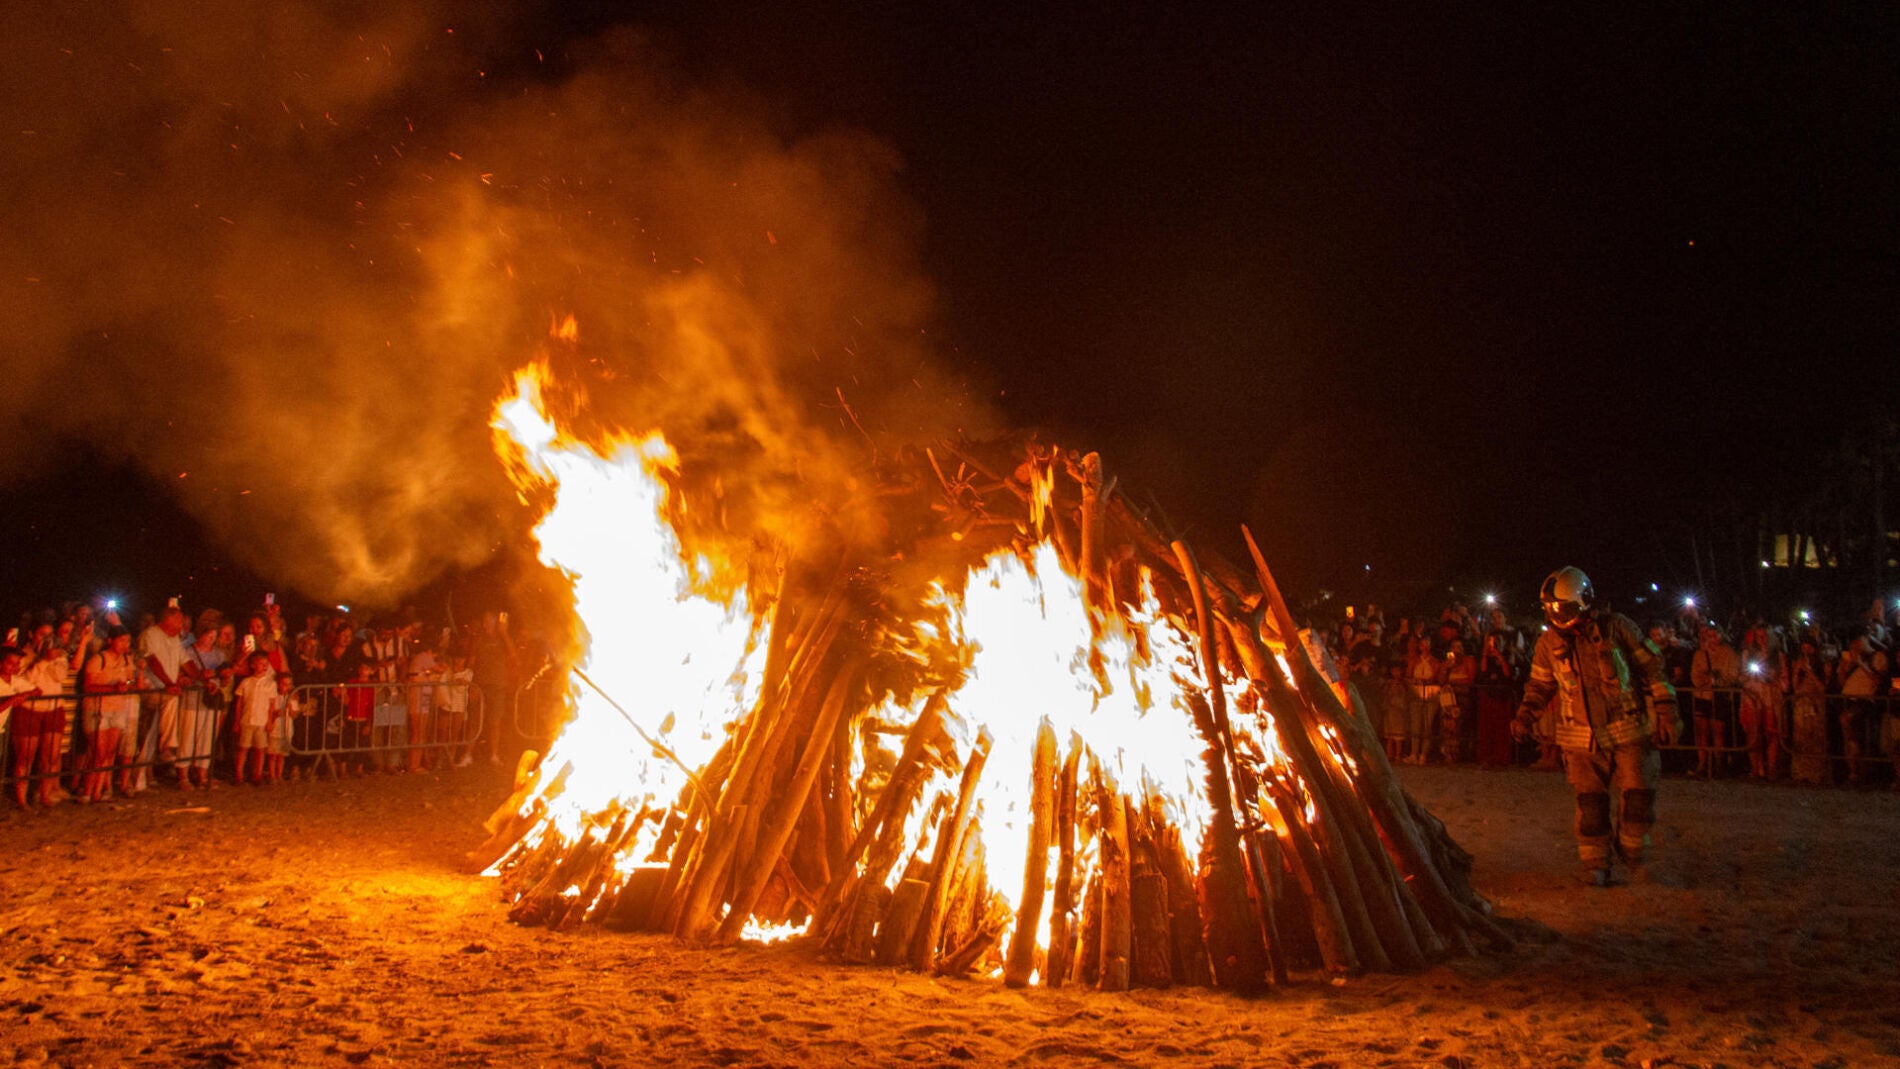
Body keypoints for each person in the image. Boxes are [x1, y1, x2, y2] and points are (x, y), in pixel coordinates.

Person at [1513, 567, 1680, 887]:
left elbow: (1653, 668)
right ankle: (1596, 864)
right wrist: (1525, 717)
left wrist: (1667, 712)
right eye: (1551, 609)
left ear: (1584, 601)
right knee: (1591, 807)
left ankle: (1632, 853)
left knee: (1639, 801)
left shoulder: (1618, 627)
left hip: (1629, 731)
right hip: (1580, 740)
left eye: (1564, 608)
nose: (1557, 616)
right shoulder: (1548, 644)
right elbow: (1539, 686)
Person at [82, 626, 142, 802]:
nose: (125, 644)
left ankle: (98, 791)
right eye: (122, 640)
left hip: (117, 708)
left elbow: (130, 680)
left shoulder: (126, 660)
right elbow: (88, 686)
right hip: (97, 709)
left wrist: (128, 683)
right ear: (110, 641)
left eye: (128, 641)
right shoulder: (97, 660)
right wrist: (113, 688)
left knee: (109, 752)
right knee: (98, 752)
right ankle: (87, 790)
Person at [1689, 624, 1741, 778]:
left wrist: (1717, 680)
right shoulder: (1699, 654)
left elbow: (1733, 676)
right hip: (1702, 696)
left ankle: (1719, 764)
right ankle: (1703, 763)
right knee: (1702, 732)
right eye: (1709, 636)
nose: (1712, 639)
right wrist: (1708, 680)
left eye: (1714, 636)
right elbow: (1695, 677)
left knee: (1719, 731)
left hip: (1720, 697)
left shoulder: (1729, 654)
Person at [1836, 632, 1889, 784]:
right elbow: (1842, 683)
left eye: (1858, 644)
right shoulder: (1851, 661)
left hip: (1864, 702)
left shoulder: (1876, 657)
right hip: (1848, 699)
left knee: (1856, 732)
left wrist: (1860, 663)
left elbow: (1877, 680)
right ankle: (1852, 770)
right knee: (1849, 738)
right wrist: (1844, 669)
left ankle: (1863, 771)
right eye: (1852, 645)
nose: (1855, 648)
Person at [1736, 622, 1786, 780]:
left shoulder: (1778, 656)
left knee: (1772, 734)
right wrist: (1751, 677)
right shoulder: (1747, 654)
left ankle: (1771, 768)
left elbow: (1785, 681)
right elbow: (1741, 676)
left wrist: (1773, 678)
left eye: (1765, 636)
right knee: (1753, 733)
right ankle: (1755, 769)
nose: (1762, 639)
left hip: (1771, 698)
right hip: (1753, 697)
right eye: (1759, 636)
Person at [1, 646, 45, 808]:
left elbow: (37, 691)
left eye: (17, 663)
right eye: (10, 663)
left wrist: (23, 695)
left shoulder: (14, 681)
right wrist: (13, 700)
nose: (15, 667)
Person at [1787, 636, 1831, 785]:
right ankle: (1801, 773)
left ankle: (1816, 774)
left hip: (1816, 706)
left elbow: (1822, 688)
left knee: (1816, 740)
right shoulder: (1799, 665)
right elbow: (1795, 688)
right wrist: (1796, 672)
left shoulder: (1823, 665)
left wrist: (1810, 671)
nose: (1806, 652)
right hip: (1801, 706)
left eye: (1809, 649)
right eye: (1804, 649)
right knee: (1801, 739)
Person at [232, 651, 278, 787]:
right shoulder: (246, 682)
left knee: (260, 749)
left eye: (265, 664)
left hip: (261, 721)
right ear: (252, 665)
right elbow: (239, 703)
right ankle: (239, 774)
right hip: (247, 720)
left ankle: (257, 774)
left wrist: (270, 721)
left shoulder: (270, 684)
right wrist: (237, 721)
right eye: (260, 664)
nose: (263, 666)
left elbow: (271, 705)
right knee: (243, 748)